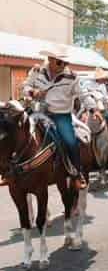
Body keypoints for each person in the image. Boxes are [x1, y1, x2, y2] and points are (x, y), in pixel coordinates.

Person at [22, 46, 90, 189]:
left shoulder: (72, 77)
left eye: (65, 63)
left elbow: (83, 95)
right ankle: (8, 171)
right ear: (50, 60)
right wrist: (32, 92)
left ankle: (77, 174)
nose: (63, 65)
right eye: (60, 62)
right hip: (36, 113)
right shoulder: (36, 71)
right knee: (14, 132)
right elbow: (25, 86)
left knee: (71, 141)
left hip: (61, 115)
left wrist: (94, 108)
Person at [86, 68, 108, 146]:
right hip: (93, 108)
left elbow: (106, 99)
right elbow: (105, 99)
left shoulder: (101, 85)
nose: (104, 79)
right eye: (102, 78)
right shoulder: (91, 85)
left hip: (100, 108)